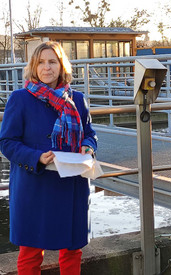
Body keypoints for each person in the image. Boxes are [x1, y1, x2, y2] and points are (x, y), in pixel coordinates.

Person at [0, 41, 98, 275]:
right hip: (35, 184)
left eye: (52, 62)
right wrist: (36, 157)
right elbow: (7, 142)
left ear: (61, 65)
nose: (47, 67)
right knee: (31, 253)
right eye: (41, 62)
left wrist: (87, 146)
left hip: (71, 183)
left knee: (72, 251)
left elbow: (90, 134)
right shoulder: (20, 99)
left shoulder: (78, 99)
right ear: (33, 67)